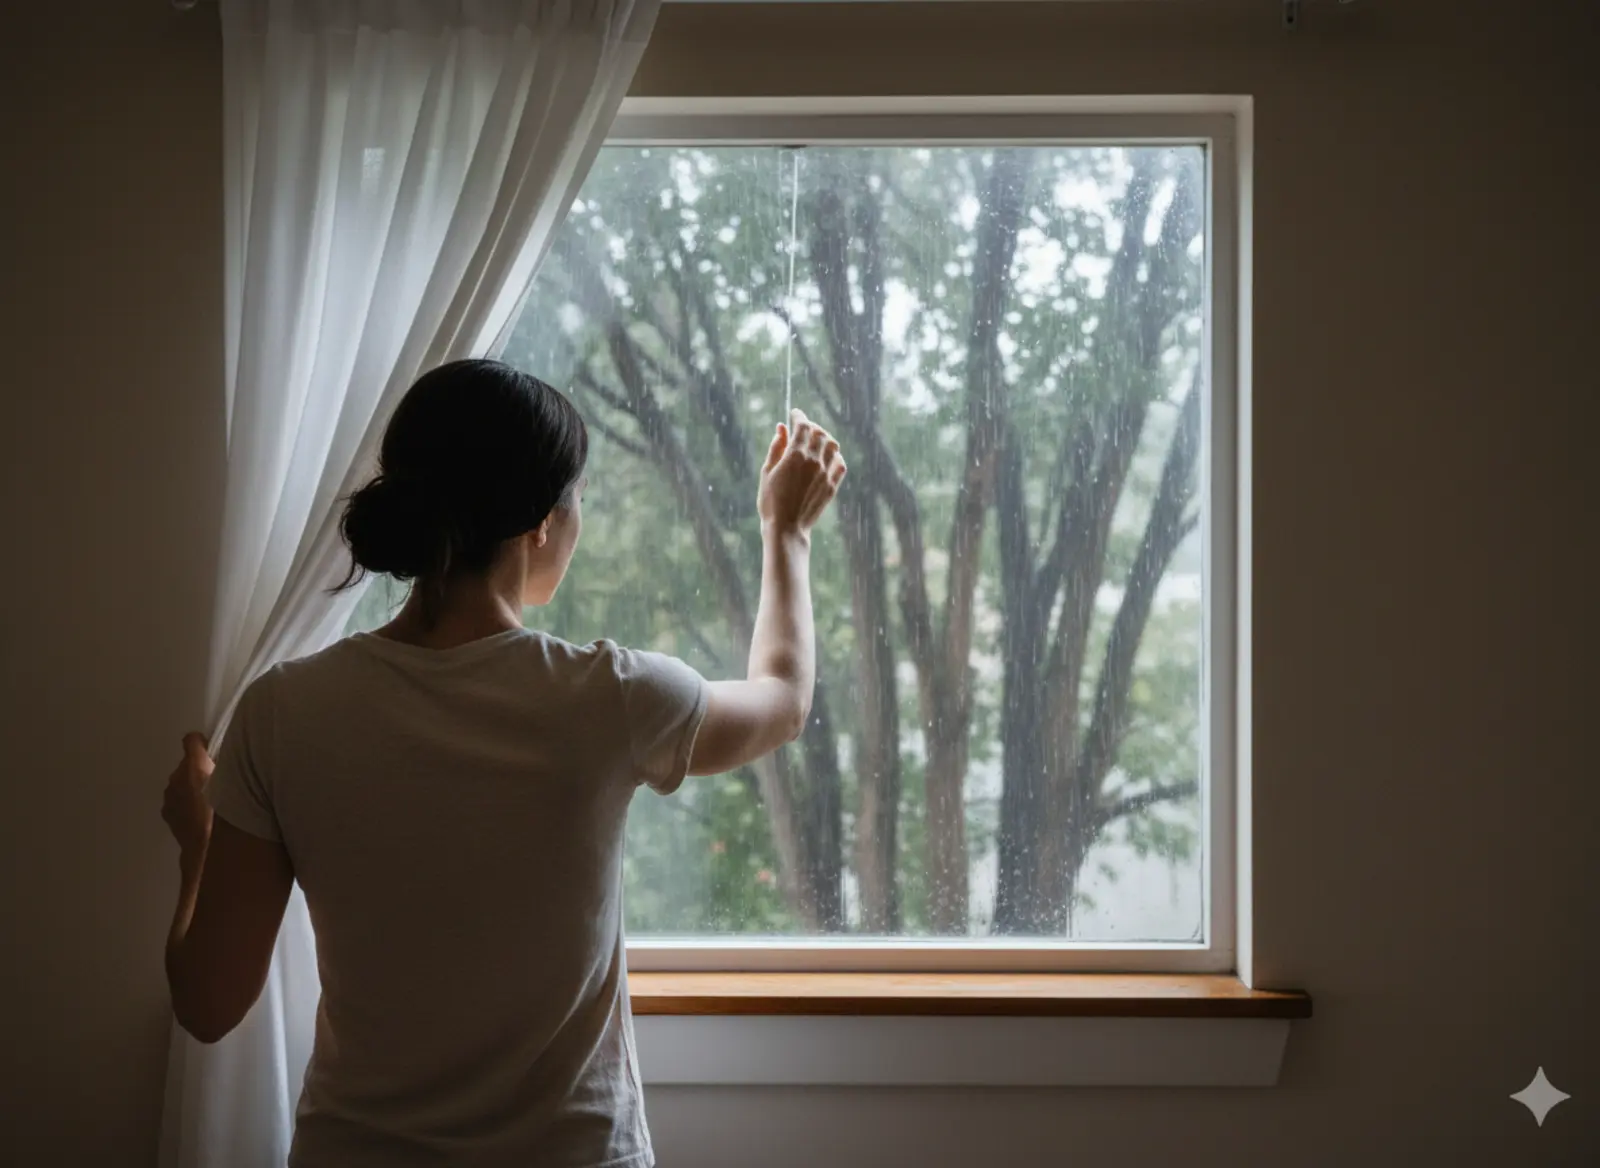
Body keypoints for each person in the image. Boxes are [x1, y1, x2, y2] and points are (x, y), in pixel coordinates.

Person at [160, 358, 846, 1167]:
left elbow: (206, 1006)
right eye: (580, 499)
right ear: (542, 523)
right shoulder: (611, 697)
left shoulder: (283, 711)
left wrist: (200, 840)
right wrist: (786, 530)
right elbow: (783, 700)